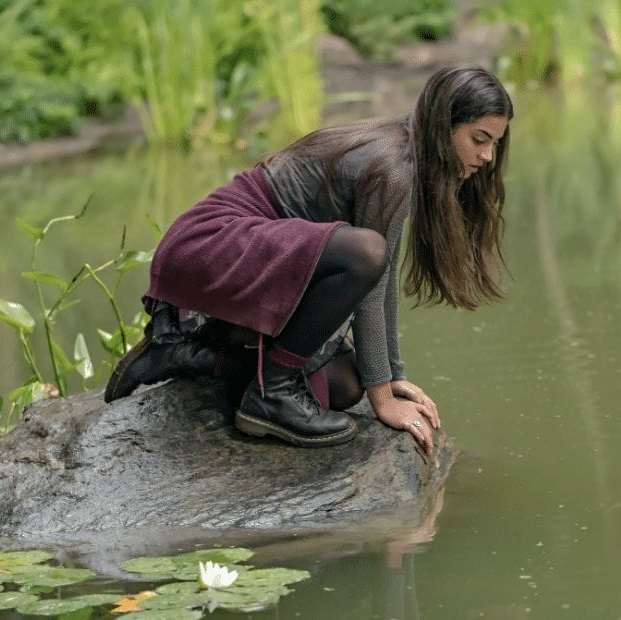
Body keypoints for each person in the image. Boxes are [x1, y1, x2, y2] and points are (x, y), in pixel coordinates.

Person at [103, 65, 513, 455]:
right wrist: (384, 401)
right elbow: (372, 281)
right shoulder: (393, 167)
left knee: (346, 385)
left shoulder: (407, 156)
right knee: (366, 252)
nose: (488, 157)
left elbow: (381, 286)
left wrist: (392, 378)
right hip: (211, 243)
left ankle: (184, 353)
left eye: (494, 143)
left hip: (253, 256)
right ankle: (273, 394)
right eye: (479, 139)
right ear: (444, 127)